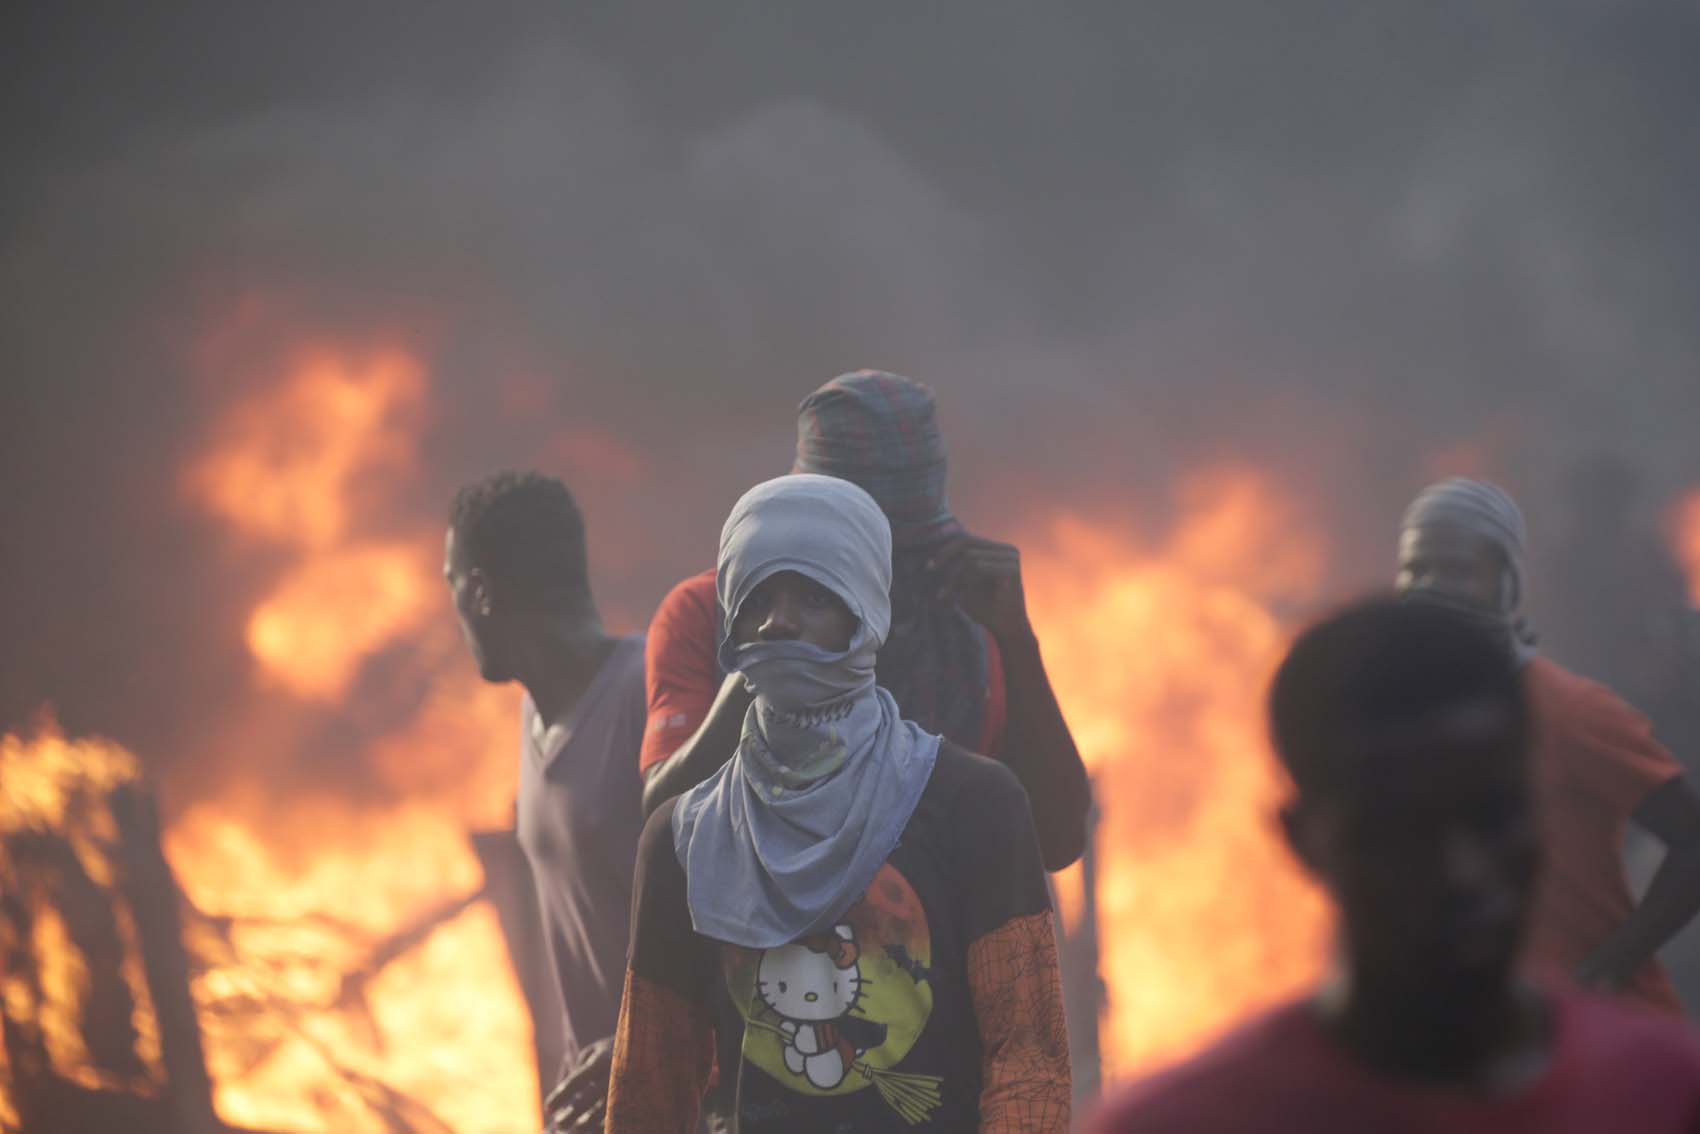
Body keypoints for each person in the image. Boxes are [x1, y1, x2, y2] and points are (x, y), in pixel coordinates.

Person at [1089, 598, 1700, 1133]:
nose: (1463, 870)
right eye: (1404, 830)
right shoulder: (1186, 1125)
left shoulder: (1668, 1097)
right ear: (1302, 843)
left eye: (1492, 814)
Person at [605, 475, 1070, 1133]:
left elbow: (1029, 1061)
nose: (779, 621)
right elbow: (649, 1090)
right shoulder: (683, 841)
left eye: (816, 595)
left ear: (867, 612)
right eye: (757, 597)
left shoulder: (975, 804)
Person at [639, 370, 1090, 871]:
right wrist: (766, 668)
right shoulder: (708, 616)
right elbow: (666, 829)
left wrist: (1015, 639)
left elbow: (1058, 839)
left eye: (906, 553)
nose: (890, 579)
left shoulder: (963, 618)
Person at [1396, 477, 1700, 1013]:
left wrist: (1608, 966)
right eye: (1416, 570)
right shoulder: (1401, 718)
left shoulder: (1571, 712)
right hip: (1478, 1034)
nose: (1431, 588)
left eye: (1459, 570)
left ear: (1507, 583)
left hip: (1598, 1042)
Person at [445, 471, 644, 1133]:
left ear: (480, 592)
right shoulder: (532, 714)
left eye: (452, 584)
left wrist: (658, 1043)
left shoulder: (655, 700)